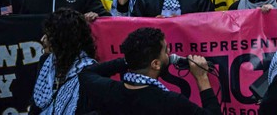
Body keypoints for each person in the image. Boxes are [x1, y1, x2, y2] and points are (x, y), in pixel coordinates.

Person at [79, 26, 221, 113]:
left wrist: (132, 59)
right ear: (155, 64)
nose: (170, 53)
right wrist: (202, 78)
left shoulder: (108, 91)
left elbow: (87, 73)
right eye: (166, 50)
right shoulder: (170, 102)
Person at [32, 8, 97, 115]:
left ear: (62, 39)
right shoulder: (45, 61)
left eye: (48, 35)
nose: (42, 39)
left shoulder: (88, 70)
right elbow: (35, 107)